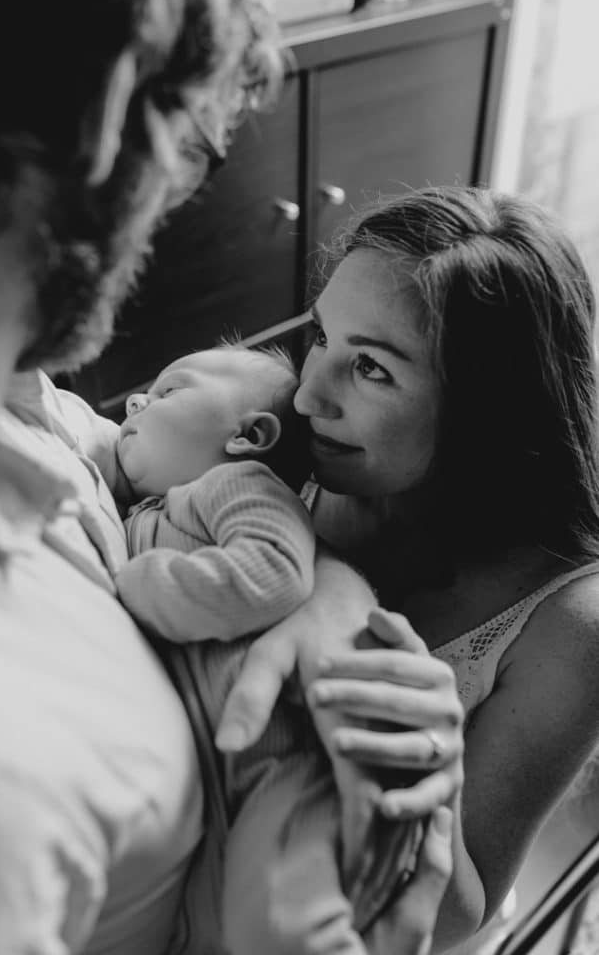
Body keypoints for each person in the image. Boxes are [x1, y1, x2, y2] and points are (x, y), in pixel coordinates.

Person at [0, 0, 463, 954]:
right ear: (112, 111)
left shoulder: (23, 404)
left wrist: (329, 601)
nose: (165, 210)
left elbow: (208, 494)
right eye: (194, 152)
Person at [237, 183, 599, 953]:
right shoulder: (287, 440)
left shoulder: (568, 625)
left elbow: (459, 914)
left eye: (371, 368)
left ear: (487, 411)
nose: (306, 395)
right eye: (322, 336)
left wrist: (429, 778)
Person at [113, 341, 424, 954]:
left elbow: (273, 572)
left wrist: (141, 585)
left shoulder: (237, 485)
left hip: (292, 764)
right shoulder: (143, 512)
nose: (136, 403)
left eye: (170, 391)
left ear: (248, 435)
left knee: (282, 926)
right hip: (222, 784)